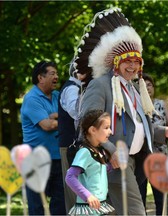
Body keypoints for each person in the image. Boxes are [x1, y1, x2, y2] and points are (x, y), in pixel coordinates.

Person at [72, 8, 168, 215]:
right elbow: (88, 124)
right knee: (136, 210)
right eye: (127, 61)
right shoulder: (100, 85)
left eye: (136, 62)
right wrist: (111, 150)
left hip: (135, 160)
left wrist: (163, 132)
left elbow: (139, 125)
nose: (132, 66)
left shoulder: (133, 88)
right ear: (116, 62)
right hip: (113, 159)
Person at [20, 60, 66, 215]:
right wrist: (61, 119)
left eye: (57, 73)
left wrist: (56, 117)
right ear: (41, 78)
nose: (57, 77)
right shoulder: (32, 99)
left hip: (58, 159)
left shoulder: (57, 95)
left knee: (60, 205)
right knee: (37, 208)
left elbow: (71, 116)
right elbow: (47, 125)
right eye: (52, 73)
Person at [65, 109, 115, 215]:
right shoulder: (84, 152)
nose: (110, 132)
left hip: (99, 206)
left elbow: (96, 171)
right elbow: (70, 177)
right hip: (88, 208)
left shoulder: (99, 150)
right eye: (106, 128)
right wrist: (88, 196)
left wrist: (112, 166)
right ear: (92, 130)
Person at [138, 73, 168, 215]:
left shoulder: (161, 104)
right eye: (143, 85)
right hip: (140, 155)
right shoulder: (136, 105)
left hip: (160, 155)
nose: (147, 88)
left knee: (162, 198)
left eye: (149, 85)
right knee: (139, 197)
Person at [58, 61, 92, 213]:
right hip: (70, 146)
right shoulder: (72, 89)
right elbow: (77, 112)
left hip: (76, 146)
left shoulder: (77, 88)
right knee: (74, 191)